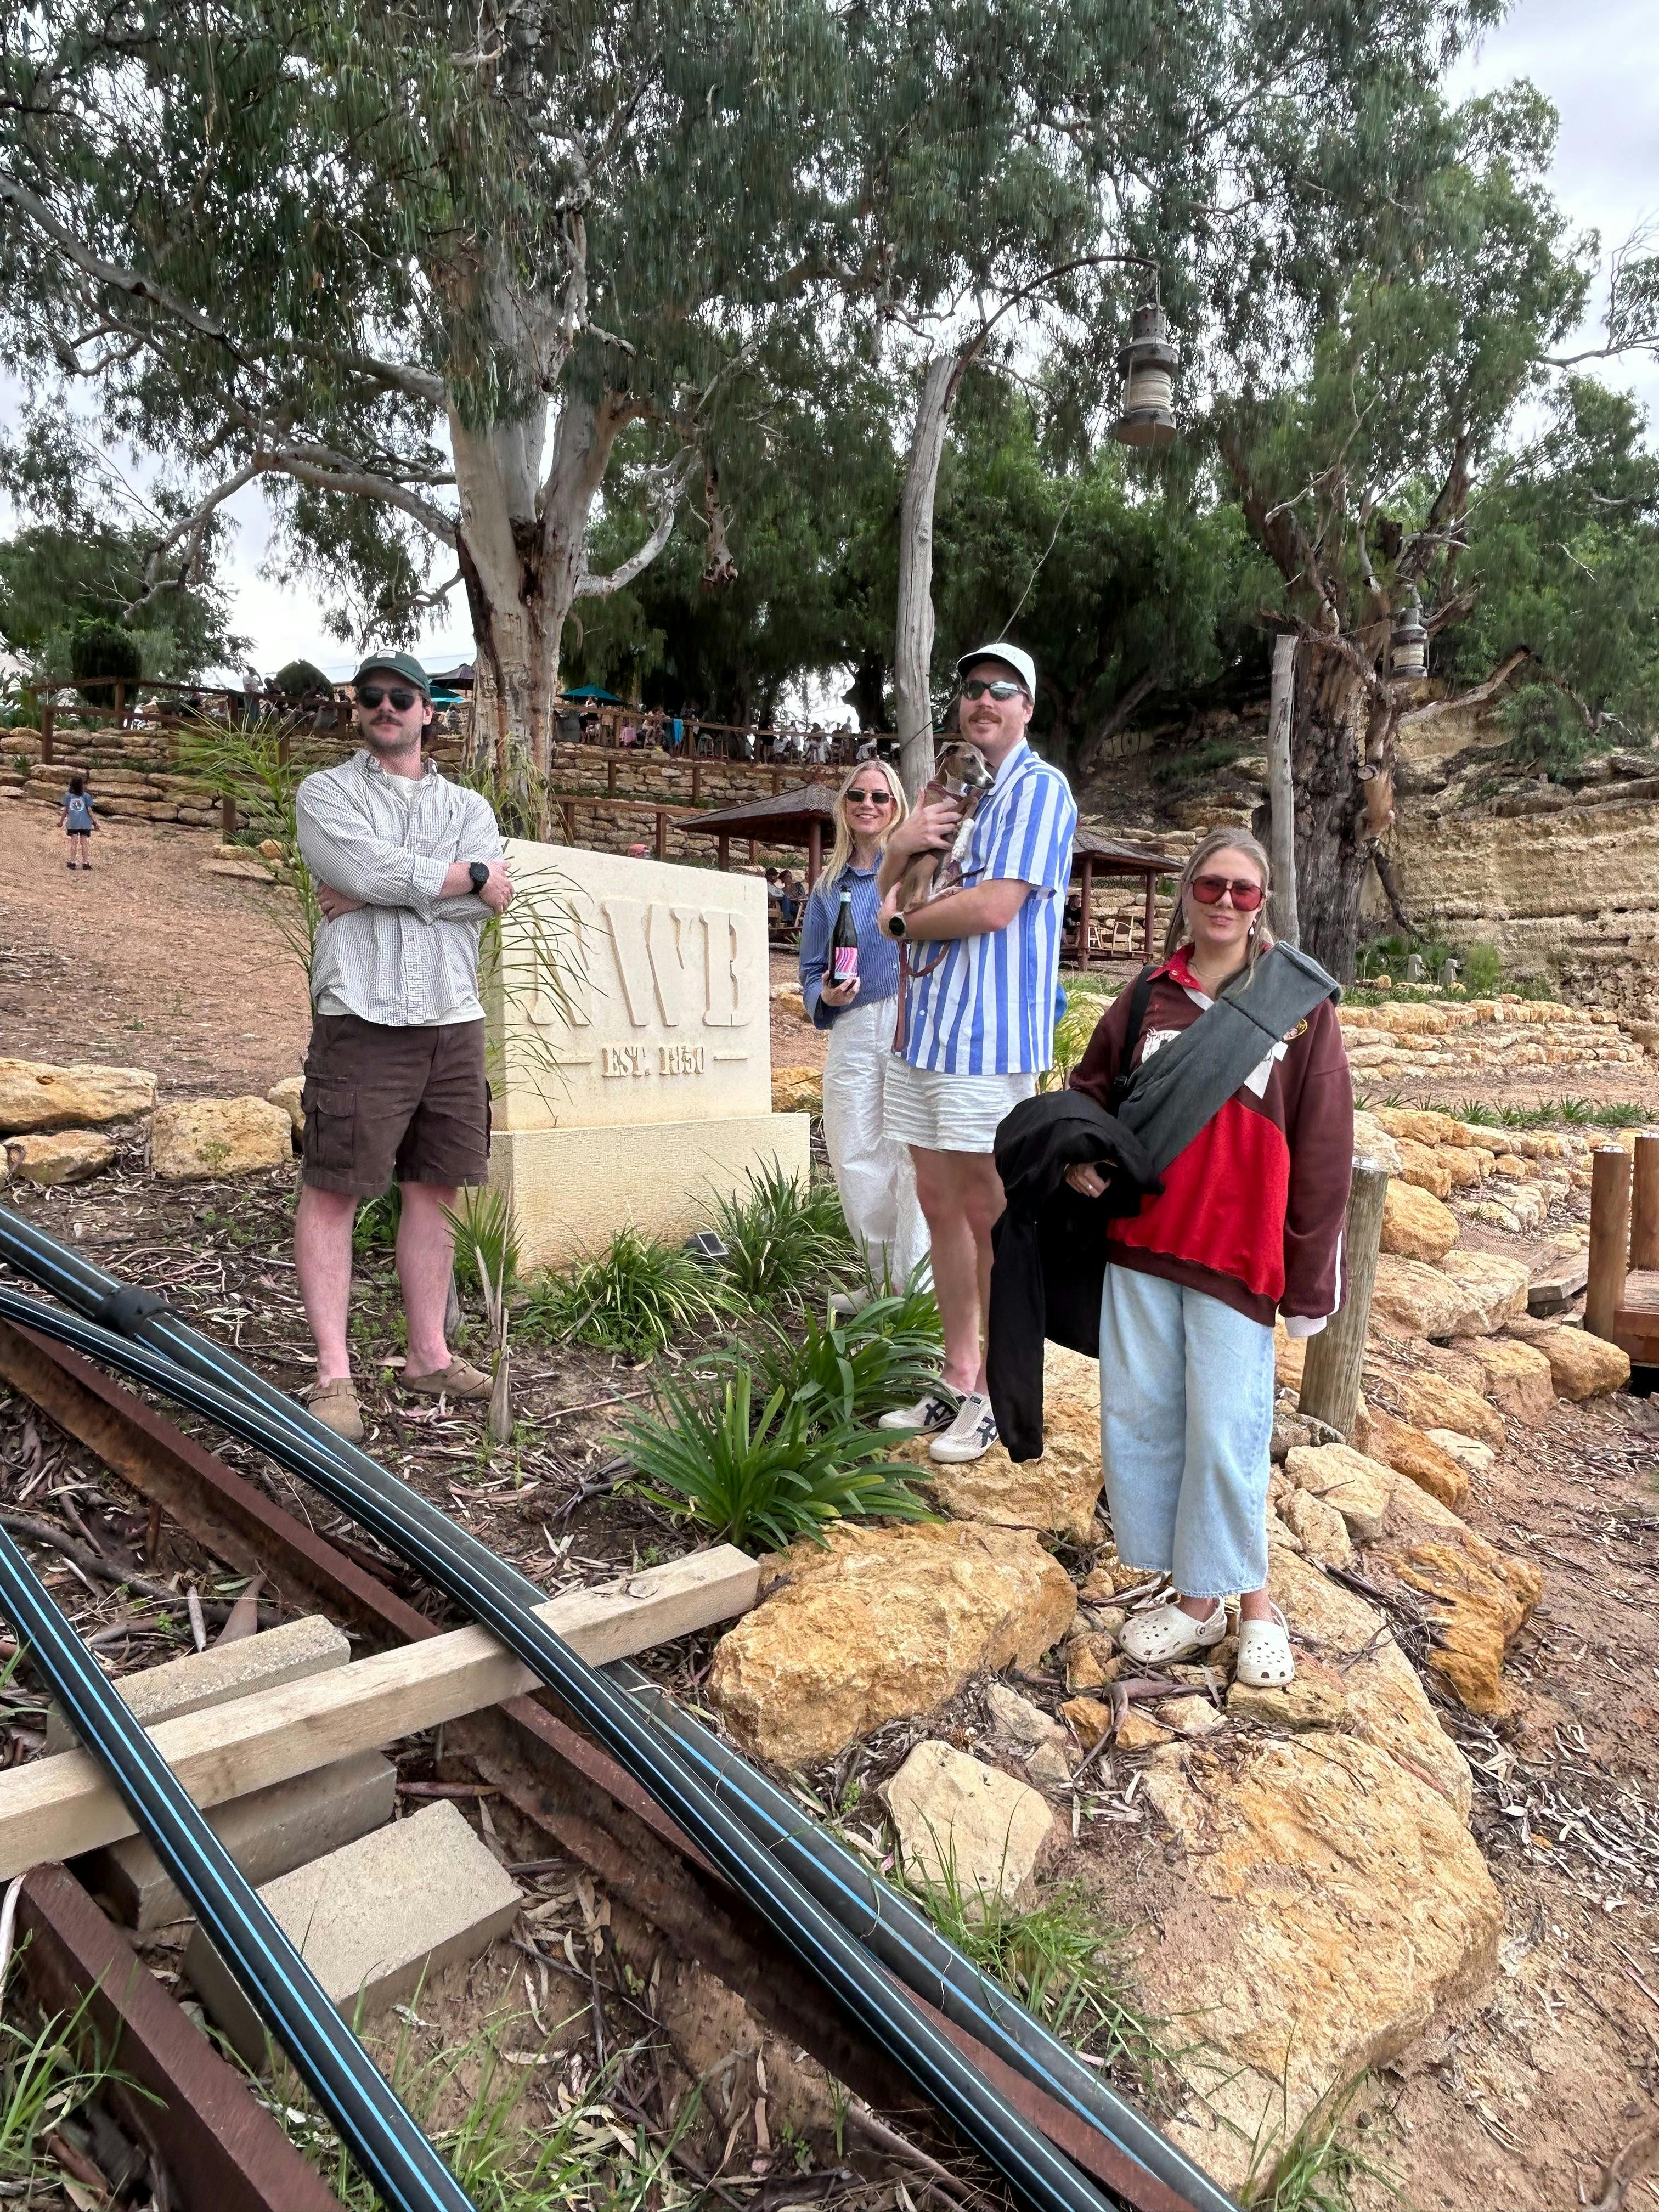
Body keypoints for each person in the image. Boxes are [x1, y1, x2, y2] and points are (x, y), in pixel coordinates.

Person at [1064, 829, 1354, 1689]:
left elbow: (1324, 1145)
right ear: (1189, 894)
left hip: (1236, 1257)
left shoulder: (1298, 1007)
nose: (1226, 903)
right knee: (1149, 1420)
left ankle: (1254, 1605)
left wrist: (1310, 1276)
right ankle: (1197, 1598)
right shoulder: (1148, 995)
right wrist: (1079, 1151)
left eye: (1245, 892)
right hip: (1143, 1245)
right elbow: (1093, 1089)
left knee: (1229, 1432)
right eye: (1212, 887)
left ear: (1263, 906)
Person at [291, 651, 515, 1442]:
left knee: (437, 1186)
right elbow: (361, 866)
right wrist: (461, 878)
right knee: (335, 1187)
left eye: (403, 697)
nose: (387, 707)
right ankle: (334, 1373)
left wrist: (381, 891)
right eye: (373, 696)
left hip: (451, 1017)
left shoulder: (470, 807)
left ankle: (429, 1352)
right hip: (363, 1013)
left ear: (429, 712)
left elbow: (489, 904)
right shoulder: (325, 794)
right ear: (359, 710)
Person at [874, 642, 1075, 1464]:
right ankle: (957, 1374)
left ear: (1027, 707)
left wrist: (901, 926)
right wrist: (902, 841)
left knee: (987, 1210)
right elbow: (885, 887)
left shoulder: (1039, 788)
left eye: (1003, 690)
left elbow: (994, 907)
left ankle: (997, 1389)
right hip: (922, 1029)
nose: (983, 701)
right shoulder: (949, 795)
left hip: (986, 1038)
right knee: (936, 1199)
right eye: (972, 690)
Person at [799, 761, 929, 1300]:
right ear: (844, 806)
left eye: (880, 795)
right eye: (857, 794)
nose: (868, 803)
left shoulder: (920, 875)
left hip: (912, 1019)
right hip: (852, 1027)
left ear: (896, 804)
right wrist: (823, 997)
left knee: (912, 1155)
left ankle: (915, 1292)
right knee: (854, 1153)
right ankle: (883, 1284)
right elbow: (809, 971)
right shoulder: (830, 890)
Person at [58, 774, 97, 870]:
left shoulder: (68, 796)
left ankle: (73, 862)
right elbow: (90, 810)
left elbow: (66, 810)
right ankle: (86, 863)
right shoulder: (86, 796)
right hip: (85, 823)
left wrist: (61, 821)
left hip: (73, 823)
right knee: (84, 842)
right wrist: (95, 822)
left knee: (74, 843)